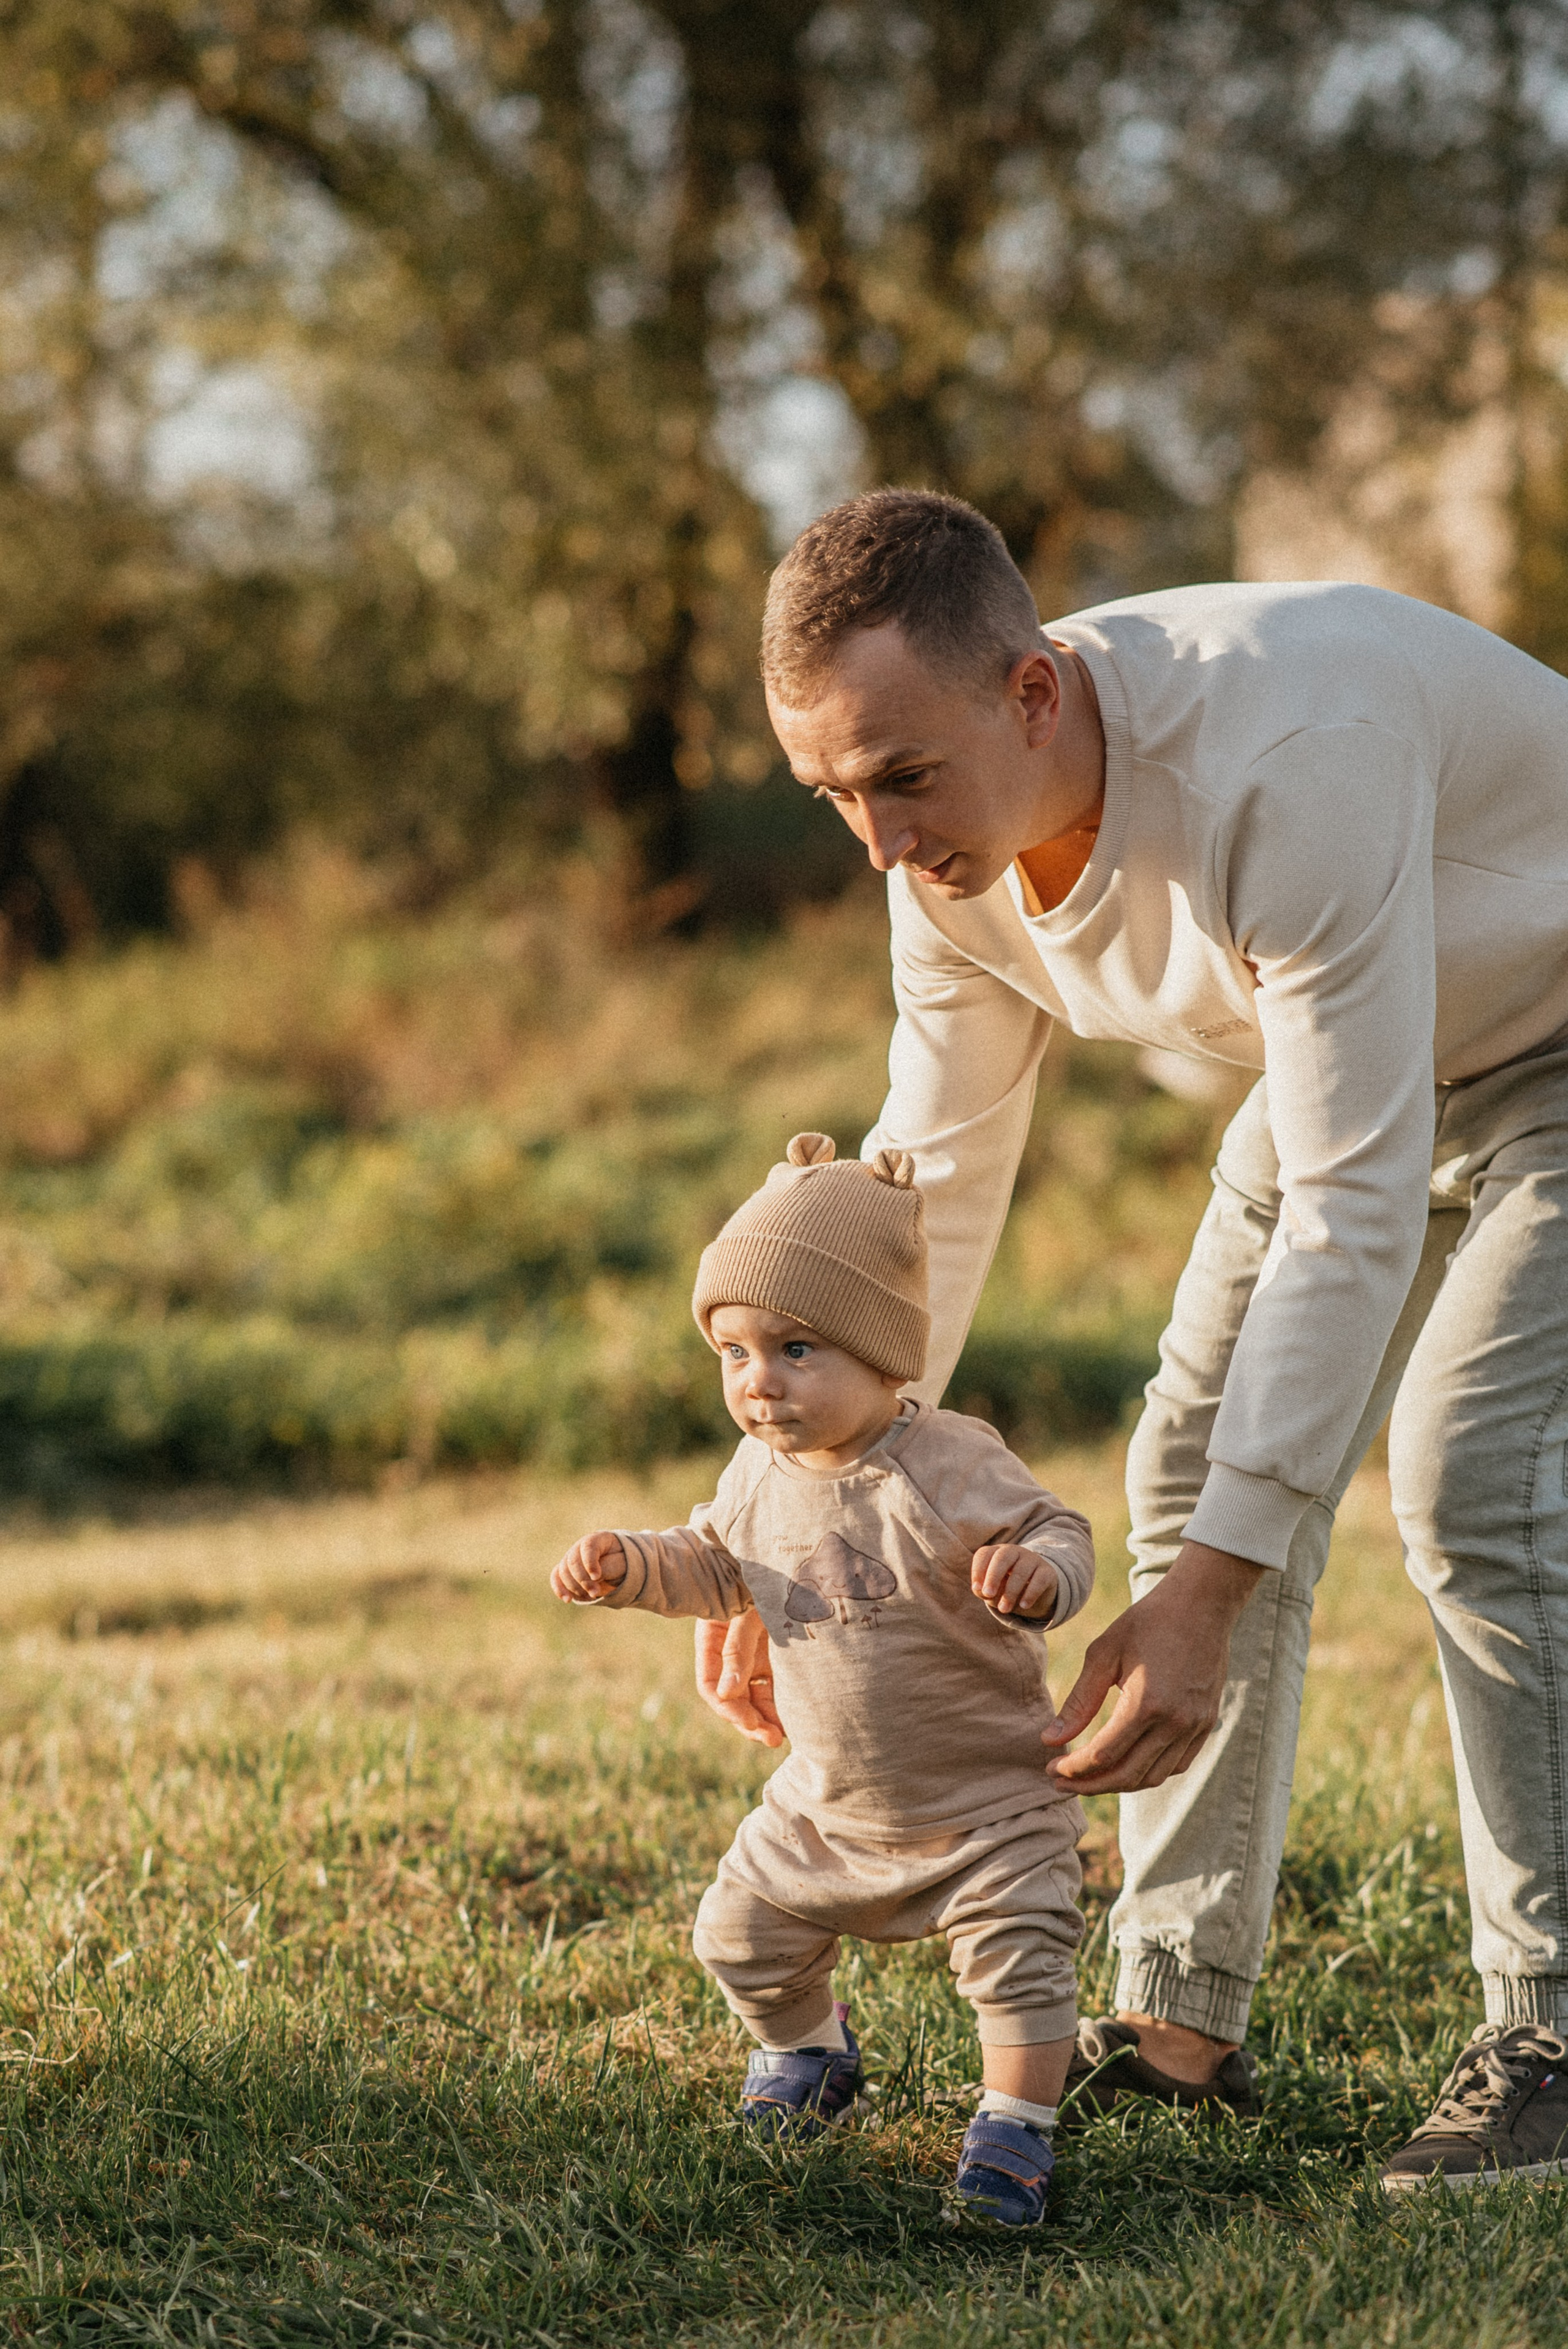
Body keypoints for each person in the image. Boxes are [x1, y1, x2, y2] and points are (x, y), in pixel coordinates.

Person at [697, 488, 1568, 2192]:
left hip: (1555, 1043)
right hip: (1376, 1063)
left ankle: (1552, 2030)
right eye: (833, 796)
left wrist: (1214, 1592)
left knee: (1470, 1473)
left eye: (902, 779)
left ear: (1033, 691)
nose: (876, 841)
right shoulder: (943, 853)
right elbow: (922, 1196)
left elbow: (1351, 1200)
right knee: (1188, 1468)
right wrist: (781, 1495)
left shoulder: (1282, 755)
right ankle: (1180, 2026)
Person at [552, 1132, 1096, 2225]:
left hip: (988, 1803)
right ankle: (810, 2052)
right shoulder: (757, 1471)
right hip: (832, 1804)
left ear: (885, 1355)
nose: (759, 1382)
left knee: (1022, 1970)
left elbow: (1061, 1525)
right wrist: (631, 1566)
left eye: (796, 1348)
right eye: (735, 1351)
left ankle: (1013, 2134)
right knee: (739, 1934)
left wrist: (1039, 1574)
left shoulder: (947, 1458)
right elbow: (714, 1563)